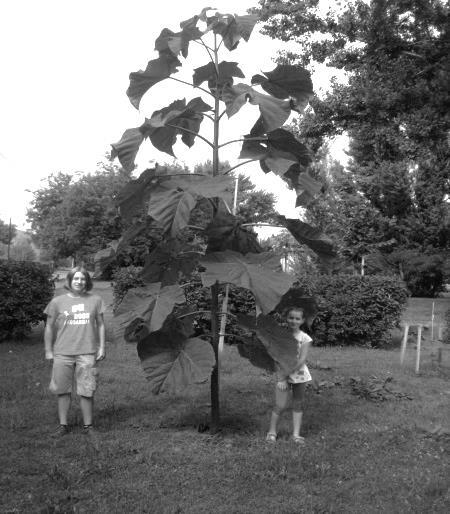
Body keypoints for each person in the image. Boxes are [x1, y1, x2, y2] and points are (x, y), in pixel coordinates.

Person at [44, 266, 106, 437]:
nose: (79, 282)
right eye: (76, 279)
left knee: (87, 389)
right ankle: (63, 425)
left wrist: (102, 347)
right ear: (69, 281)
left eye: (83, 279)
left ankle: (89, 426)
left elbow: (101, 324)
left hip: (87, 352)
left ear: (87, 281)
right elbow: (49, 326)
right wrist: (49, 350)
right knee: (62, 390)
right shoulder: (57, 302)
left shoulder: (95, 300)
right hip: (62, 352)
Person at [266, 307, 313, 444]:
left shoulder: (305, 338)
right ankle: (272, 432)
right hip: (282, 376)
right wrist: (282, 377)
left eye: (297, 318)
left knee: (298, 404)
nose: (294, 321)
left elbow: (302, 359)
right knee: (280, 405)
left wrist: (288, 374)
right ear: (286, 318)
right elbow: (275, 357)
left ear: (302, 320)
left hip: (300, 376)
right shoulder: (280, 335)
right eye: (291, 317)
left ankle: (296, 435)